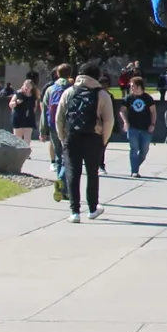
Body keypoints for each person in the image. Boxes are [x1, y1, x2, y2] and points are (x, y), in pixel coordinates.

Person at [56, 61, 114, 222]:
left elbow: (59, 118)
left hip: (72, 137)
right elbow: (109, 121)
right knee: (92, 173)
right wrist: (103, 140)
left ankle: (74, 212)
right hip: (93, 137)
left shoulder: (69, 92)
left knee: (73, 173)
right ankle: (92, 209)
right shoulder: (102, 95)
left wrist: (63, 138)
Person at [41, 64, 75, 202]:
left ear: (57, 74)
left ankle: (62, 188)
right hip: (68, 126)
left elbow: (44, 110)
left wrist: (43, 130)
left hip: (53, 126)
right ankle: (62, 183)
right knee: (69, 157)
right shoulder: (72, 89)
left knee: (59, 156)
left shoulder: (50, 89)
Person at [120, 77, 157, 178]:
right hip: (133, 128)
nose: (131, 88)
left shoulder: (148, 98)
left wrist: (153, 124)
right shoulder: (128, 98)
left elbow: (153, 112)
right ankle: (134, 171)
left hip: (146, 128)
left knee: (144, 151)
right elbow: (122, 110)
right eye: (131, 86)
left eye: (133, 86)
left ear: (139, 86)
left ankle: (135, 166)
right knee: (134, 148)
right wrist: (125, 122)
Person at [10, 75, 38, 143]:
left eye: (28, 86)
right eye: (25, 85)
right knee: (17, 139)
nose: (26, 87)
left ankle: (26, 150)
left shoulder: (34, 96)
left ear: (32, 87)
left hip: (29, 118)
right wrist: (16, 102)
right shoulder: (18, 93)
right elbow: (10, 104)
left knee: (27, 140)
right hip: (18, 117)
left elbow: (35, 107)